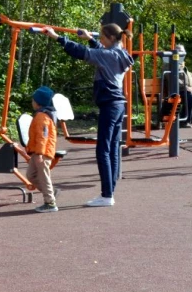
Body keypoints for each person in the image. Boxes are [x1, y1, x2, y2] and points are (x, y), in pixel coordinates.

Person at [44, 24, 134, 207]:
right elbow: (102, 51)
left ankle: (107, 195)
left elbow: (80, 51)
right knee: (112, 149)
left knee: (103, 150)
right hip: (118, 105)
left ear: (110, 37)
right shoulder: (121, 53)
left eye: (101, 37)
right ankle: (109, 192)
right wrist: (91, 39)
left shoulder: (107, 55)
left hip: (110, 105)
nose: (100, 40)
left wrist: (56, 37)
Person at [28, 86, 59, 213]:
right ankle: (51, 192)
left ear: (38, 102)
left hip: (42, 152)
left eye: (33, 100)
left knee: (43, 176)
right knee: (31, 175)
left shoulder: (42, 117)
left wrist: (40, 153)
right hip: (38, 151)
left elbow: (43, 136)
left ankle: (50, 202)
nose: (32, 102)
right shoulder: (42, 115)